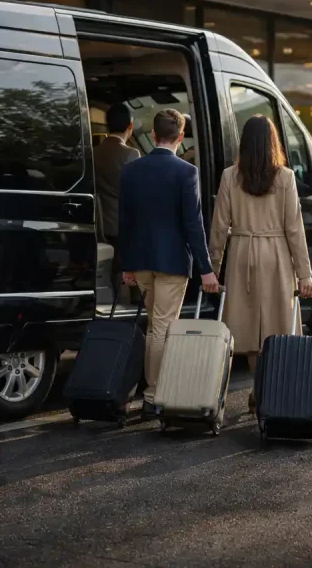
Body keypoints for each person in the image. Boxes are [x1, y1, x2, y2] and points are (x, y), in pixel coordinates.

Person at [208, 115, 312, 413]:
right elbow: (294, 228)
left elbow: (219, 226)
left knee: (250, 327)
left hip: (242, 255)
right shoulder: (285, 177)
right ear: (272, 142)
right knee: (276, 325)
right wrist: (304, 273)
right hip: (276, 255)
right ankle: (267, 390)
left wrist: (213, 268)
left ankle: (258, 387)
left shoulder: (230, 176)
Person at [119, 108, 219, 410]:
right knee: (162, 327)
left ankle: (149, 391)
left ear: (153, 135)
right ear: (181, 136)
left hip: (142, 260)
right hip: (173, 262)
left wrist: (126, 265)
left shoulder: (132, 170)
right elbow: (193, 225)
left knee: (155, 325)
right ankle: (153, 395)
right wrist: (206, 270)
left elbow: (125, 222)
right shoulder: (186, 172)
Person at [93, 103, 140, 248]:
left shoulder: (94, 152)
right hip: (123, 227)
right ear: (130, 126)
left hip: (99, 226)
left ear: (107, 126)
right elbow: (136, 192)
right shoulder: (131, 154)